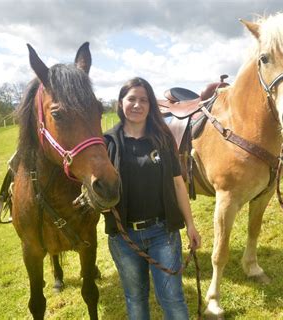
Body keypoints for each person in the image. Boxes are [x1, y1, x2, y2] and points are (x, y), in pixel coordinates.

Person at [103, 77, 201, 320]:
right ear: (120, 103)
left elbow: (178, 183)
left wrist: (190, 225)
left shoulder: (163, 138)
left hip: (162, 233)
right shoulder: (107, 143)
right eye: (131, 99)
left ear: (150, 105)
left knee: (172, 298)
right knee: (135, 298)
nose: (137, 105)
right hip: (124, 237)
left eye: (143, 100)